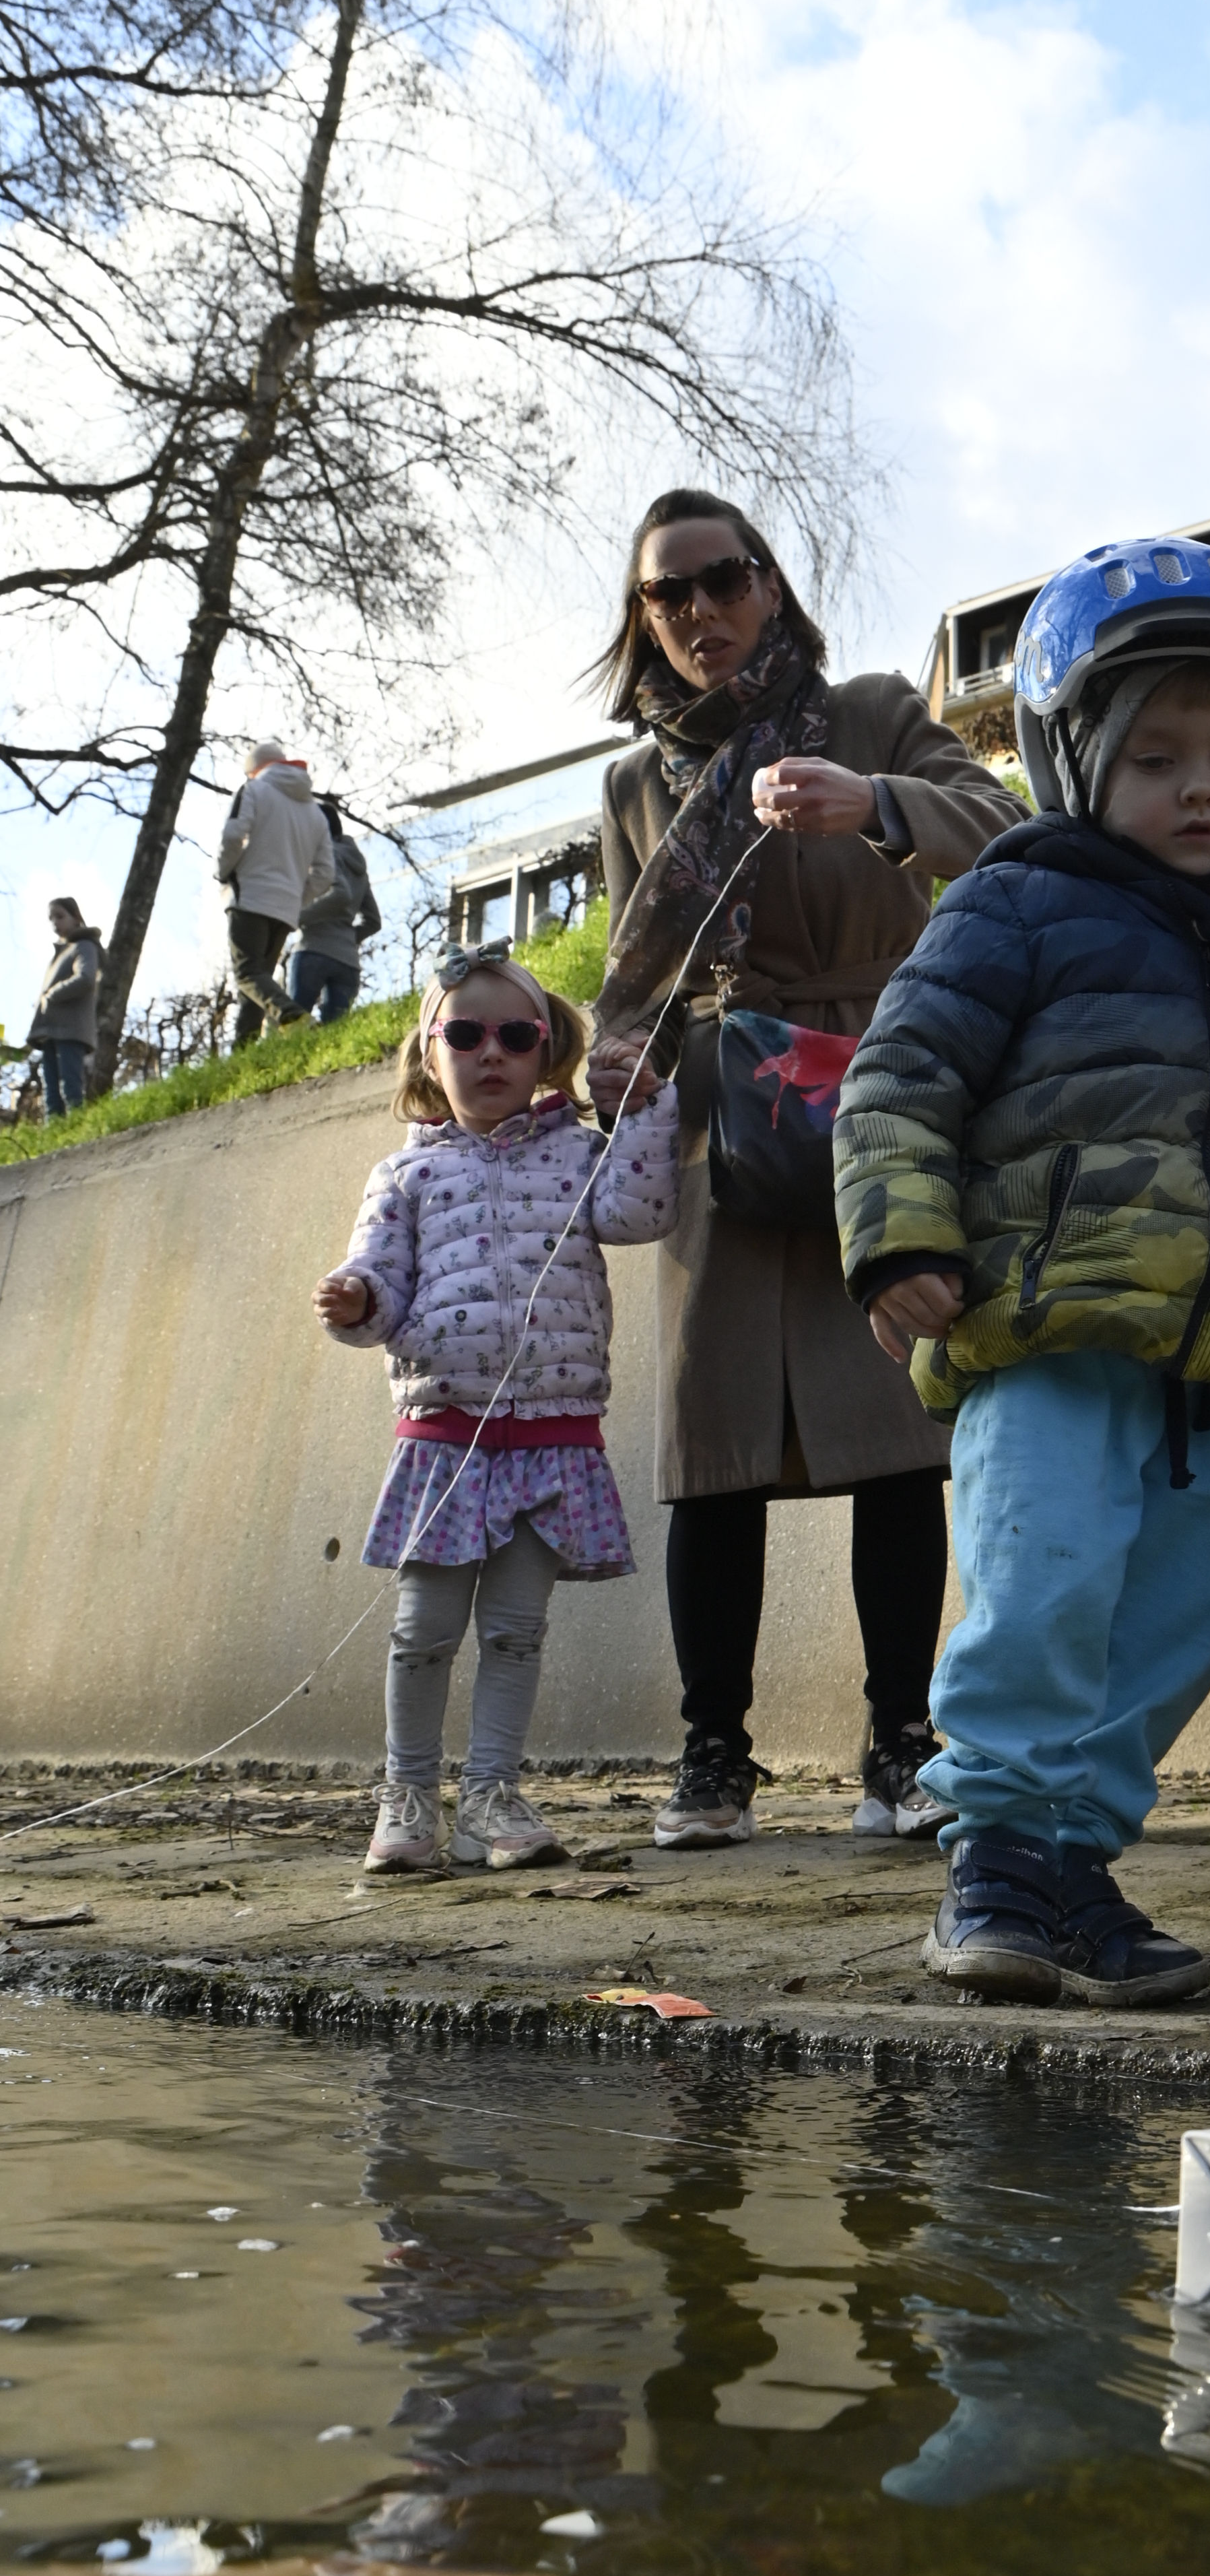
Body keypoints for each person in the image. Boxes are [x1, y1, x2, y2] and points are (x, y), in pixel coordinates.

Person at [836, 535, 1210, 2006]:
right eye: (1158, 758)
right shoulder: (1015, 904)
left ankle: (1073, 1866)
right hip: (1048, 1338)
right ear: (1074, 766)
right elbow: (899, 1078)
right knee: (1042, 1586)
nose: (1201, 788)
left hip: (1196, 1375)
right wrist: (902, 1236)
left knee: (1166, 1633)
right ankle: (994, 1851)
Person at [582, 490, 1022, 1851]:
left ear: (770, 585)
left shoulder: (872, 708)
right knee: (711, 1450)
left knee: (897, 1431)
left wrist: (874, 803)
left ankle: (901, 1744)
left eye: (725, 579)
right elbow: (633, 974)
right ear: (645, 623)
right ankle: (713, 1753)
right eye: (673, 594)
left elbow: (1004, 834)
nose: (703, 611)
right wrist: (617, 1059)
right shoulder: (632, 784)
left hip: (878, 1088)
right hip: (723, 1110)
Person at [316, 950, 679, 1878]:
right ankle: (406, 1798)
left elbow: (641, 1215)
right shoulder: (404, 1178)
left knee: (518, 1629)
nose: (492, 1053)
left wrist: (640, 1106)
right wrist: (358, 1299)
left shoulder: (580, 1153)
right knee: (422, 1630)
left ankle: (489, 1796)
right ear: (428, 1053)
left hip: (553, 1436)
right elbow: (382, 1280)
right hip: (447, 1438)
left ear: (547, 1052)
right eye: (466, 1034)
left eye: (518, 1037)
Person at [215, 743, 334, 1045]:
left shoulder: (253, 789)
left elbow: (232, 835)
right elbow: (325, 874)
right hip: (285, 910)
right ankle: (244, 1054)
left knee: (247, 975)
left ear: (254, 769)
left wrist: (225, 872)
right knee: (258, 984)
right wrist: (297, 896)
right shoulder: (316, 813)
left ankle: (293, 1016)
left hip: (250, 897)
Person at [286, 803, 382, 1026]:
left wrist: (298, 917)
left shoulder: (323, 855)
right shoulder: (358, 866)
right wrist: (347, 938)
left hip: (313, 950)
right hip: (348, 961)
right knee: (334, 1035)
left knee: (295, 1024)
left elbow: (341, 895)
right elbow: (374, 921)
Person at [28, 899, 100, 1115]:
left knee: (71, 1089)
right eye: (51, 919)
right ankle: (57, 1137)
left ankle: (78, 1131)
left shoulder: (85, 946)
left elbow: (86, 978)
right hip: (51, 1031)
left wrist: (53, 994)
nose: (55, 923)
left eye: (60, 916)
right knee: (51, 1093)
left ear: (76, 917)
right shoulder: (61, 953)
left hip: (71, 1031)